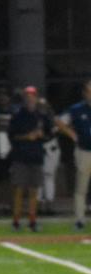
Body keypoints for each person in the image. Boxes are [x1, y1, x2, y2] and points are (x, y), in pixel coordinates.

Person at [8, 86, 51, 232]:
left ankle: (32, 221)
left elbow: (48, 134)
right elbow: (12, 136)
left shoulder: (42, 116)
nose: (30, 98)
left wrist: (40, 136)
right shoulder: (18, 116)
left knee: (34, 191)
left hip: (36, 156)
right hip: (21, 156)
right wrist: (27, 136)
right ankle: (16, 221)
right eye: (28, 95)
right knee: (19, 190)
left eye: (32, 95)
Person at [55, 79, 91, 231]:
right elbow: (59, 121)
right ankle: (79, 220)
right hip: (84, 151)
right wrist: (72, 134)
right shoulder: (77, 109)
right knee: (81, 188)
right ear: (84, 93)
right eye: (89, 91)